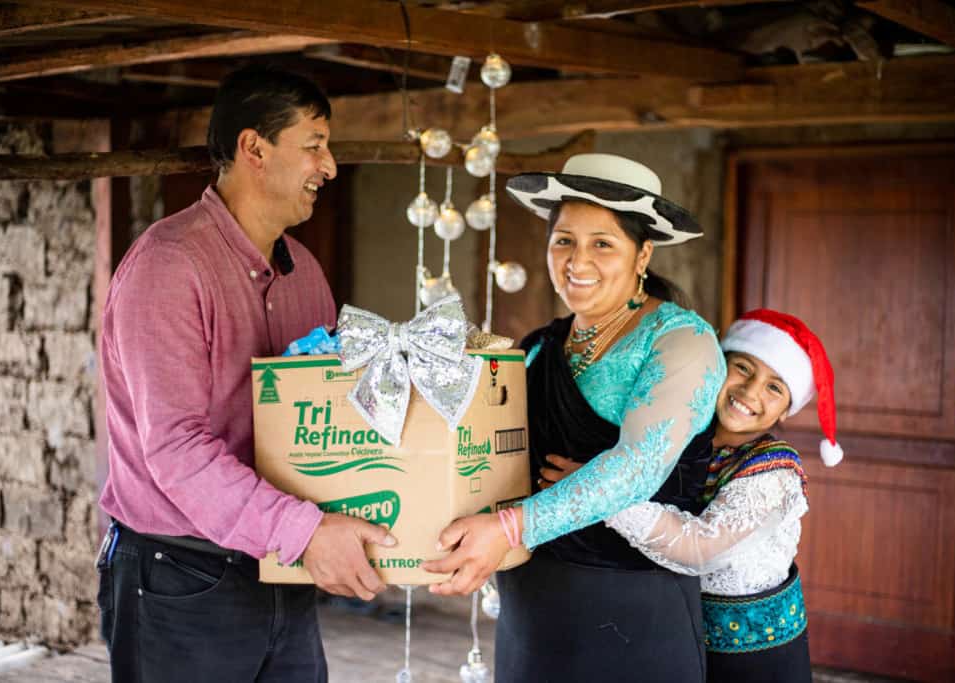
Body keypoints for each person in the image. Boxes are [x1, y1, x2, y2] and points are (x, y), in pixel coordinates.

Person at [96, 64, 395, 683]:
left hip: (282, 566)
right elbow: (175, 451)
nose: (330, 166)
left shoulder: (304, 271)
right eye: (314, 146)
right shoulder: (169, 266)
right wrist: (307, 532)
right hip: (181, 577)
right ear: (253, 148)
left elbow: (322, 413)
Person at [422, 153, 726, 682]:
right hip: (532, 601)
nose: (576, 261)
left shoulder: (682, 340)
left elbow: (638, 467)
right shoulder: (540, 346)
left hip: (633, 606)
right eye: (563, 240)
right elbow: (491, 452)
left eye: (601, 243)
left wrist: (510, 525)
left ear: (643, 254)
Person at [545, 309, 843, 682]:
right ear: (718, 365)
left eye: (774, 387)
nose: (750, 392)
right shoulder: (686, 436)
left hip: (756, 658)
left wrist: (599, 490)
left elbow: (700, 548)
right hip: (680, 641)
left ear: (787, 409)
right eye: (744, 368)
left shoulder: (775, 470)